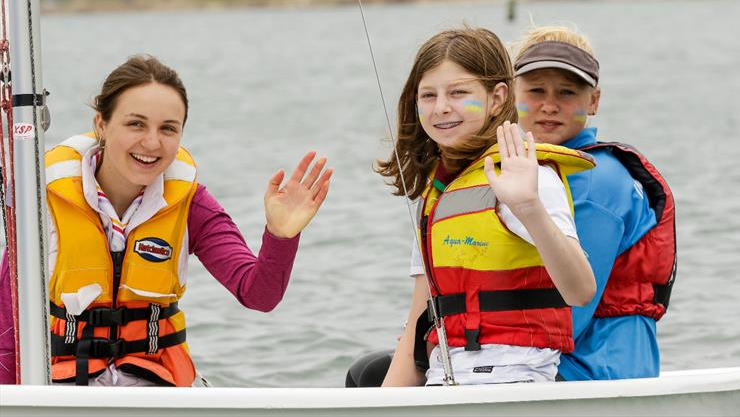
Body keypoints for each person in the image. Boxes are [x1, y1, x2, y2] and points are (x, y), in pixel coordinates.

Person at [0, 55, 332, 386]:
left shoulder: (191, 203)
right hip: (64, 393)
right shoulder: (40, 200)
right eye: (136, 124)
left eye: (168, 129)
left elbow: (258, 294)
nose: (152, 142)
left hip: (159, 391)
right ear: (101, 123)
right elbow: (6, 326)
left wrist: (281, 235)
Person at [373, 27, 596, 387]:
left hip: (517, 385)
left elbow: (581, 290)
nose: (441, 107)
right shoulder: (435, 195)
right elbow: (419, 320)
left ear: (497, 98)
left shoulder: (530, 177)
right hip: (445, 384)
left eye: (459, 93)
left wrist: (529, 207)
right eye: (428, 95)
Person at [512, 25, 676, 381]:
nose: (550, 105)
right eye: (536, 90)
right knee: (377, 367)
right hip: (557, 359)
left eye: (567, 92)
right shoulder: (526, 171)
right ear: (512, 94)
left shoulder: (595, 180)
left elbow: (573, 310)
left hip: (596, 369)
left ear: (594, 102)